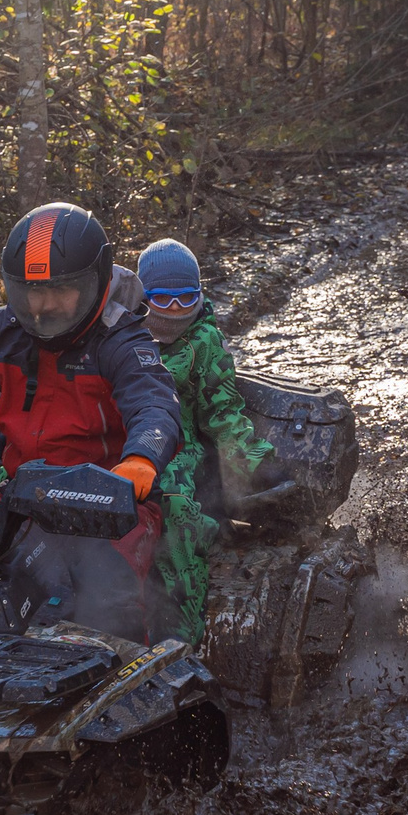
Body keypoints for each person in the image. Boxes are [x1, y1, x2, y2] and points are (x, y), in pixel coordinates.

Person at [0, 202, 183, 643]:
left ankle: (127, 682)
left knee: (106, 605)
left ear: (94, 280)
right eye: (30, 291)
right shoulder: (1, 331)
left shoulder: (121, 338)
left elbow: (154, 405)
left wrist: (140, 459)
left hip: (112, 501)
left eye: (61, 290)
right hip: (22, 492)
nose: (43, 306)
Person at [135, 239, 275, 646]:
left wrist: (253, 466)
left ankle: (181, 641)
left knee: (176, 522)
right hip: (126, 447)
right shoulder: (119, 335)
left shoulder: (204, 343)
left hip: (182, 457)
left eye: (186, 298)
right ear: (143, 296)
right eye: (162, 298)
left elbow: (225, 413)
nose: (175, 310)